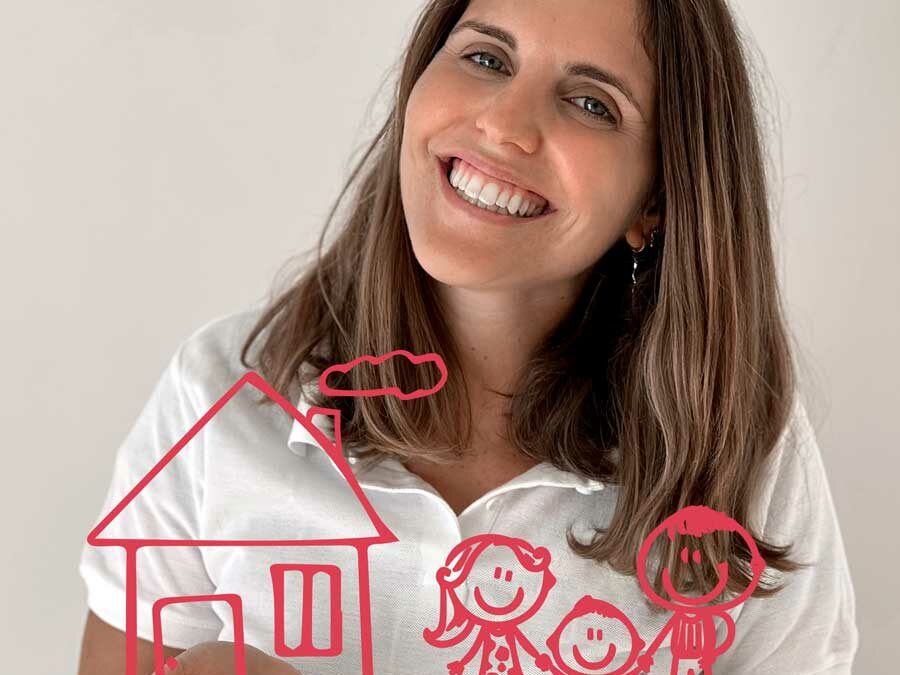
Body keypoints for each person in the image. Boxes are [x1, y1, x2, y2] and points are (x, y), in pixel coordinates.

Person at [76, 1, 859, 674]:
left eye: (591, 103)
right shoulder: (218, 393)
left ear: (653, 202)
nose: (504, 126)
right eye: (486, 57)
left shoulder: (741, 446)